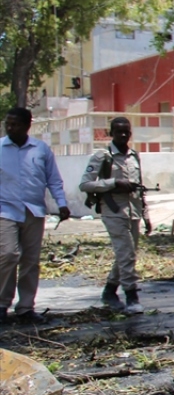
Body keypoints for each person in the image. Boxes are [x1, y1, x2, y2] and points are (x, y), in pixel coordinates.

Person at [0, 108, 71, 324]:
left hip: (34, 211)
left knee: (30, 261)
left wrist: (62, 203)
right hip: (5, 210)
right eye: (8, 124)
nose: (10, 128)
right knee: (8, 254)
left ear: (27, 126)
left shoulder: (41, 150)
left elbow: (54, 180)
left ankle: (25, 308)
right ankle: (2, 304)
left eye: (15, 124)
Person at [80, 117, 151, 314]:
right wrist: (113, 184)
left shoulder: (134, 156)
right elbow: (85, 184)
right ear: (111, 133)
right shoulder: (102, 156)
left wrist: (146, 215)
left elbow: (140, 188)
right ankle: (131, 296)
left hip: (134, 210)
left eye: (126, 132)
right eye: (118, 132)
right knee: (126, 253)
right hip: (113, 210)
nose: (122, 135)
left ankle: (110, 290)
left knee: (128, 254)